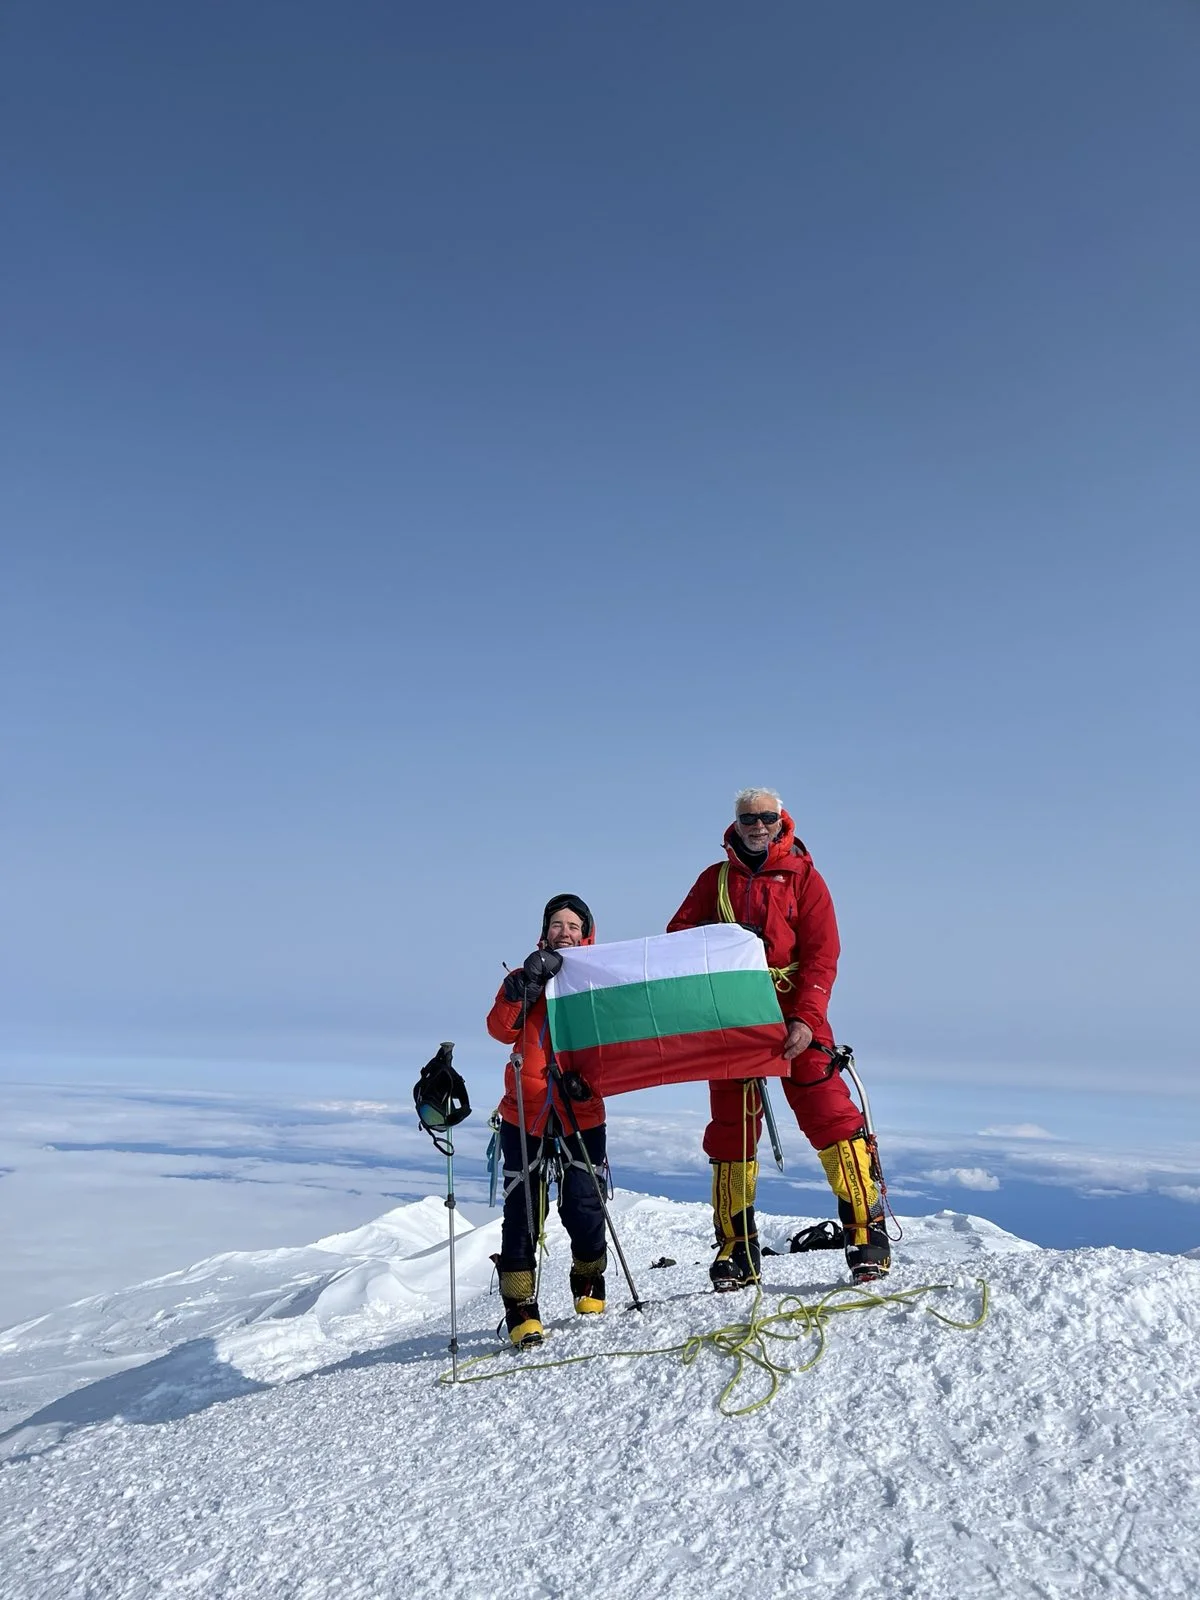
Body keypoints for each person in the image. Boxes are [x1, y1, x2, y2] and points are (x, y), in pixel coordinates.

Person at [668, 788, 891, 1288]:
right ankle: (735, 1250)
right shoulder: (714, 880)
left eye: (767, 816)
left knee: (829, 1112)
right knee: (731, 1127)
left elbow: (821, 955)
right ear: (737, 823)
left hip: (796, 1015)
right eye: (749, 817)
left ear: (781, 819)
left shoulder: (805, 878)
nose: (758, 824)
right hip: (734, 1019)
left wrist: (808, 1018)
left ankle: (866, 1235)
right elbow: (679, 940)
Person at [486, 893, 608, 1348]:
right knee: (522, 1211)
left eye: (574, 925)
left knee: (585, 1202)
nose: (565, 931)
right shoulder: (522, 977)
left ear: (587, 933)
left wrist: (591, 1081)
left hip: (583, 1106)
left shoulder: (600, 981)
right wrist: (523, 991)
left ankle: (589, 1279)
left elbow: (615, 1043)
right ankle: (520, 1307)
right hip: (525, 1107)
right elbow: (500, 1030)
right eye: (557, 924)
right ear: (545, 932)